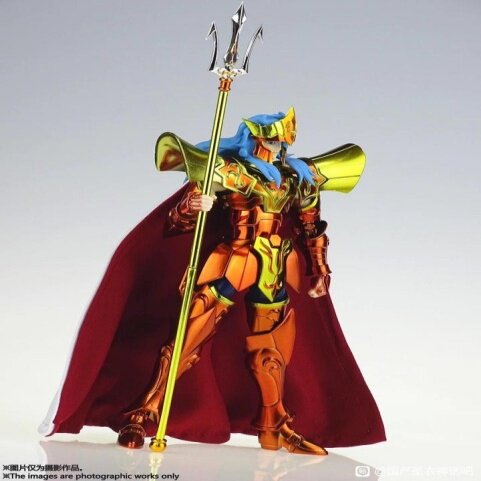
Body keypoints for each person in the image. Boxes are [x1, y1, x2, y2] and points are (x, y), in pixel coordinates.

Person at [39, 108, 385, 456]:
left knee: (272, 351)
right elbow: (177, 220)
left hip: (275, 264)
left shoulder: (299, 178)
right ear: (255, 138)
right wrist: (194, 203)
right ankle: (145, 412)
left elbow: (312, 228)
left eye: (283, 142)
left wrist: (320, 270)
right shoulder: (229, 170)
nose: (278, 148)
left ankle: (275, 424)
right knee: (187, 339)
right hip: (234, 260)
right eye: (273, 140)